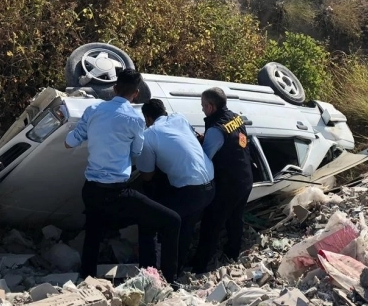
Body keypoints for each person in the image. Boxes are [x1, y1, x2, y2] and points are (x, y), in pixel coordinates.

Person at [64, 69, 181, 283]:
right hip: (118, 193)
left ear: (115, 88)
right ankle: (168, 281)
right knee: (172, 220)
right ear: (136, 94)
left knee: (93, 233)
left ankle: (86, 279)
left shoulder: (93, 110)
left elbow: (69, 142)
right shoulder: (135, 119)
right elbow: (137, 152)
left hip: (91, 190)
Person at [137, 99, 216, 275]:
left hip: (191, 191)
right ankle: (177, 268)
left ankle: (160, 273)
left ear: (148, 119)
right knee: (185, 226)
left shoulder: (149, 135)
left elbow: (147, 176)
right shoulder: (179, 118)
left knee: (158, 223)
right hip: (210, 185)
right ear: (164, 111)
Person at [190, 87, 254, 274]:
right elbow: (233, 142)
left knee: (211, 224)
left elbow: (206, 157)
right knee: (235, 218)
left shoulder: (216, 130)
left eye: (203, 105)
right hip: (245, 178)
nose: (202, 109)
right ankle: (232, 253)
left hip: (228, 185)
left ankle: (199, 266)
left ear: (211, 106)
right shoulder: (235, 117)